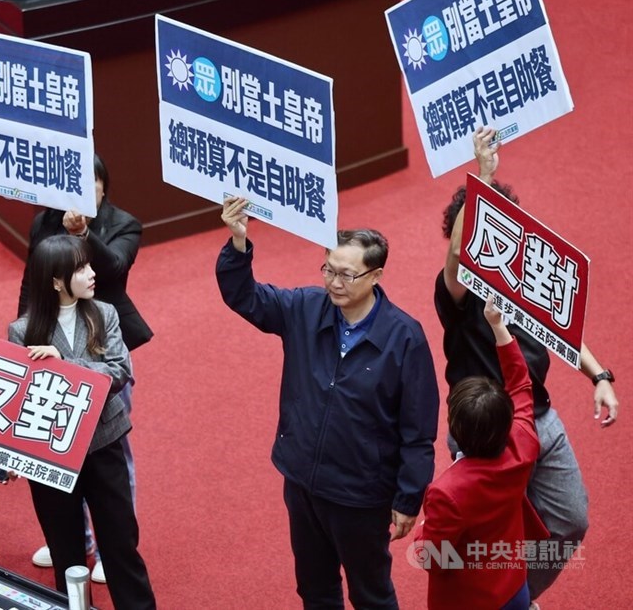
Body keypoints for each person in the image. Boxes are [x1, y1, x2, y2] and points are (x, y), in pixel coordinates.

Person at [216, 197, 439, 609]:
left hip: (361, 494)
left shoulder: (405, 338)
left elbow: (419, 429)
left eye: (347, 275)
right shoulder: (304, 307)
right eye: (329, 270)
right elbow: (244, 296)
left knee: (371, 595)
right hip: (302, 481)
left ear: (376, 275)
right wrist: (238, 242)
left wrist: (409, 497)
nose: (335, 283)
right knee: (315, 589)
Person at [436, 126, 620, 607]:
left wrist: (599, 376)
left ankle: (519, 594)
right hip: (484, 431)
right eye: (486, 224)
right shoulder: (456, 291)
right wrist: (483, 174)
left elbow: (562, 332)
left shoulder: (526, 277)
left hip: (537, 417)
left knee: (571, 520)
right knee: (486, 538)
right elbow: (457, 253)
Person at [17, 153, 152, 583]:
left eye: (89, 181)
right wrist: (25, 334)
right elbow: (32, 279)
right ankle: (79, 540)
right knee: (59, 444)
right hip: (49, 343)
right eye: (71, 180)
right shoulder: (45, 220)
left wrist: (82, 235)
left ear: (103, 185)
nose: (79, 190)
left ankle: (115, 542)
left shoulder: (124, 223)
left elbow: (114, 267)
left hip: (102, 345)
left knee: (111, 449)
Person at [415, 295, 548, 609]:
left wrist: (422, 530)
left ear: (456, 430)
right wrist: (498, 326)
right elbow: (521, 384)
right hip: (514, 587)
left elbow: (430, 557)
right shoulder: (522, 443)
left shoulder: (447, 492)